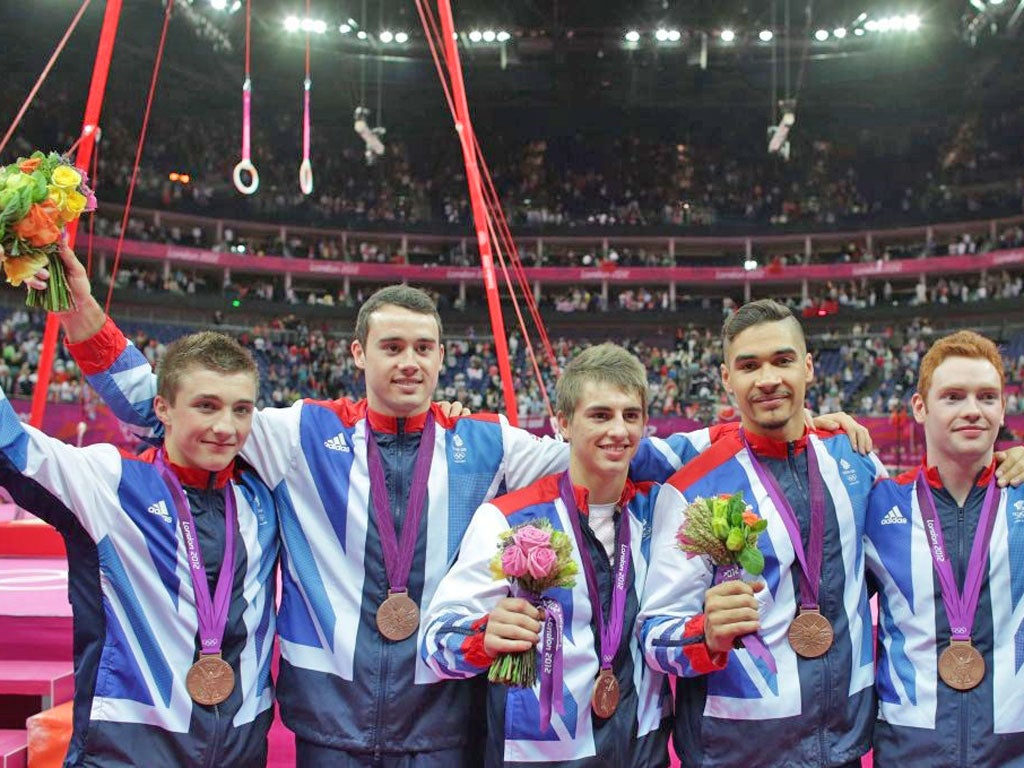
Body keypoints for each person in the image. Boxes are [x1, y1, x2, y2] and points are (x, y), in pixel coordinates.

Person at [38, 247, 873, 766]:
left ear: (445, 357)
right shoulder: (294, 434)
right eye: (392, 346)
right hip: (328, 725)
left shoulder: (491, 445)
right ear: (358, 352)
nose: (409, 362)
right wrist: (88, 325)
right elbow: (171, 405)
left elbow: (628, 448)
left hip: (446, 727)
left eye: (425, 347)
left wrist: (797, 425)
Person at [0, 331, 278, 767]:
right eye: (206, 406)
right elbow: (12, 447)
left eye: (241, 410)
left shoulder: (263, 494)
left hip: (240, 752)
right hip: (126, 752)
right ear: (162, 408)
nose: (226, 427)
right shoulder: (110, 484)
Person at [638, 298, 891, 768]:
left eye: (783, 360)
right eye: (749, 365)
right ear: (726, 378)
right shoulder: (694, 488)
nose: (768, 378)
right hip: (733, 753)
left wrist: (1005, 465)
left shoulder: (856, 462)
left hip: (842, 748)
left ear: (809, 368)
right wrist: (704, 633)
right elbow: (654, 636)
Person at [422, 344, 671, 767]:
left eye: (631, 415)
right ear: (562, 424)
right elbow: (434, 643)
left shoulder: (664, 511)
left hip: (641, 754)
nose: (618, 430)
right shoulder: (507, 519)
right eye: (599, 414)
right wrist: (482, 634)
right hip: (539, 755)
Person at [865, 331, 1024, 767]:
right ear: (921, 407)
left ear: (1003, 407)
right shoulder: (879, 506)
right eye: (953, 396)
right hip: (909, 751)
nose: (973, 410)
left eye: (987, 397)